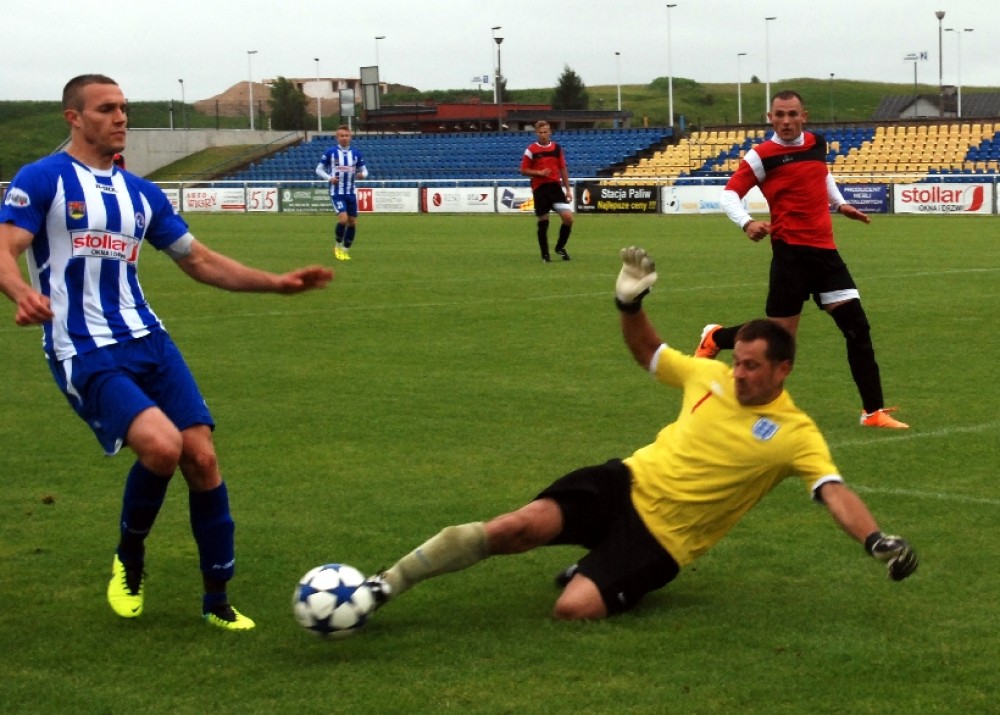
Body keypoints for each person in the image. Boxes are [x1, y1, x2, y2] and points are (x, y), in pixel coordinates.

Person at [361, 247, 918, 621]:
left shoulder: (796, 433)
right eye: (738, 361)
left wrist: (875, 540)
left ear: (783, 370)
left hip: (663, 539)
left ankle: (600, 568)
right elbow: (648, 352)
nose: (739, 373)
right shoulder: (708, 375)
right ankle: (383, 586)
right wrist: (630, 302)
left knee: (572, 609)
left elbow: (833, 492)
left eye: (752, 366)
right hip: (623, 482)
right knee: (515, 527)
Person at [0, 74, 335, 631]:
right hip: (83, 346)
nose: (120, 117)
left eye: (124, 107)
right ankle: (130, 557)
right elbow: (5, 248)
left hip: (148, 339)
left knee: (201, 458)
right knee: (161, 446)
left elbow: (198, 260)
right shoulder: (43, 178)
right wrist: (20, 293)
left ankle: (216, 600)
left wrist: (276, 283)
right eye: (106, 108)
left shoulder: (142, 193)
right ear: (73, 118)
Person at [698, 89, 907, 429]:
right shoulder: (760, 156)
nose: (786, 121)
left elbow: (823, 174)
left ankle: (873, 413)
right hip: (790, 255)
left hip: (825, 254)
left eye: (792, 114)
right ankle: (716, 338)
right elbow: (729, 194)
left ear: (803, 116)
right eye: (779, 115)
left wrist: (840, 204)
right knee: (777, 341)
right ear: (770, 118)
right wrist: (747, 223)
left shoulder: (816, 143)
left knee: (858, 328)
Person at [520, 120, 574, 262]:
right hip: (540, 188)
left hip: (555, 188)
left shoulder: (557, 148)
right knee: (543, 221)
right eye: (540, 132)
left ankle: (560, 247)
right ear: (536, 133)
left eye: (545, 132)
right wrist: (539, 173)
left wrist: (568, 189)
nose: (543, 135)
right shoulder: (531, 150)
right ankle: (545, 254)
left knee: (568, 218)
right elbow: (523, 170)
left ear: (550, 132)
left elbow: (563, 168)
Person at [315, 124, 369, 261]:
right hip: (337, 193)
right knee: (343, 219)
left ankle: (345, 250)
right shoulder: (330, 152)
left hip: (350, 193)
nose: (344, 138)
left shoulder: (356, 154)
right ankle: (337, 245)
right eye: (342, 136)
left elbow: (365, 170)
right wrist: (330, 178)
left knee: (352, 222)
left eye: (346, 135)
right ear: (337, 137)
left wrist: (363, 175)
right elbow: (319, 169)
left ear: (350, 137)